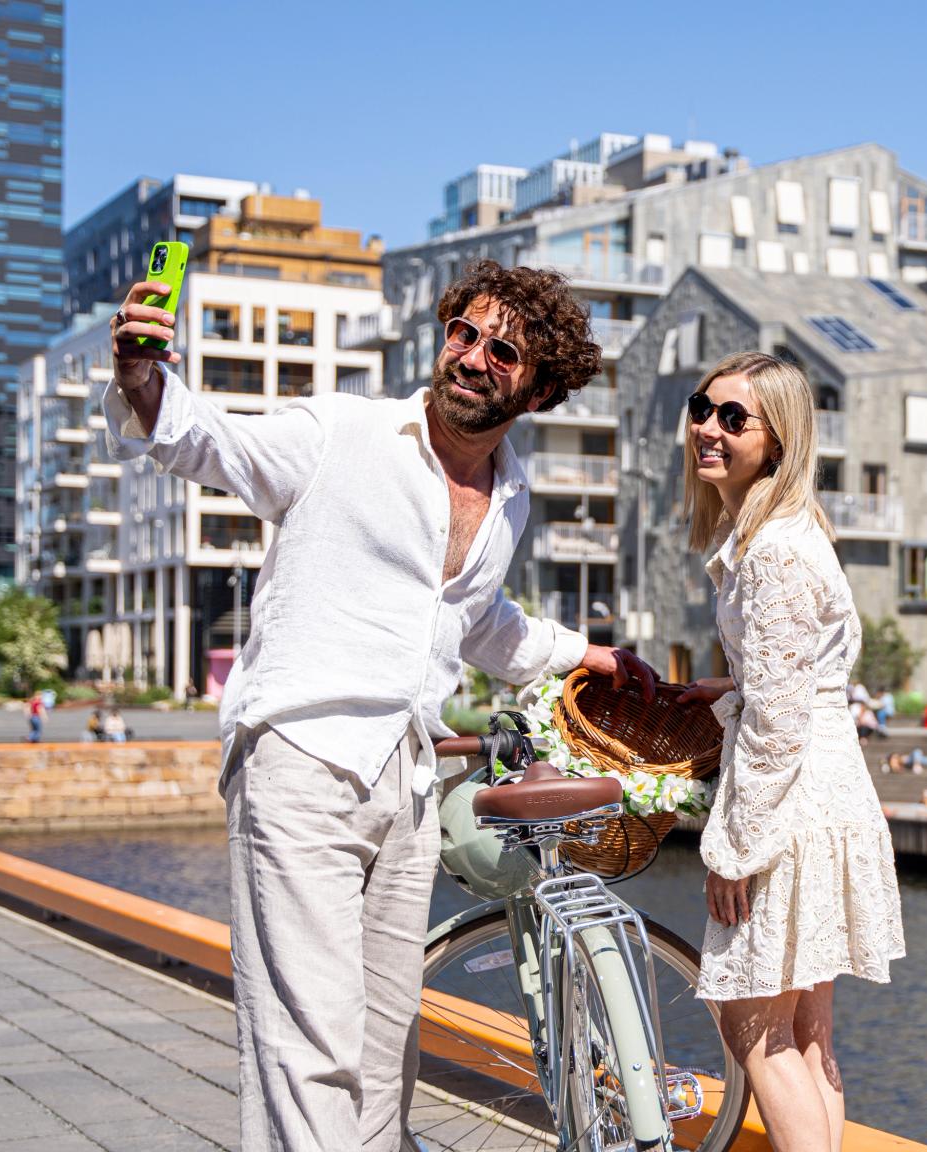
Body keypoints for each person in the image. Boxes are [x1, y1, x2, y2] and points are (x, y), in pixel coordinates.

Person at [104, 260, 657, 1149]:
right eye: (463, 333)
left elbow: (477, 622)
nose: (472, 357)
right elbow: (217, 444)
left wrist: (584, 653)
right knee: (307, 1042)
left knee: (385, 1043)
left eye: (503, 350)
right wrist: (143, 378)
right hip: (301, 760)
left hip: (404, 783)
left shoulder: (510, 497)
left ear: (541, 389)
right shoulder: (344, 432)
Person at [669, 350, 905, 1150]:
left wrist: (735, 847)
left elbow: (777, 724)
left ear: (779, 440)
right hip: (830, 793)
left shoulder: (769, 552)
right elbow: (795, 690)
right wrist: (725, 691)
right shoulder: (782, 533)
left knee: (753, 1026)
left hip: (792, 805)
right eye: (704, 407)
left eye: (735, 419)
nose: (709, 428)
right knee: (807, 1033)